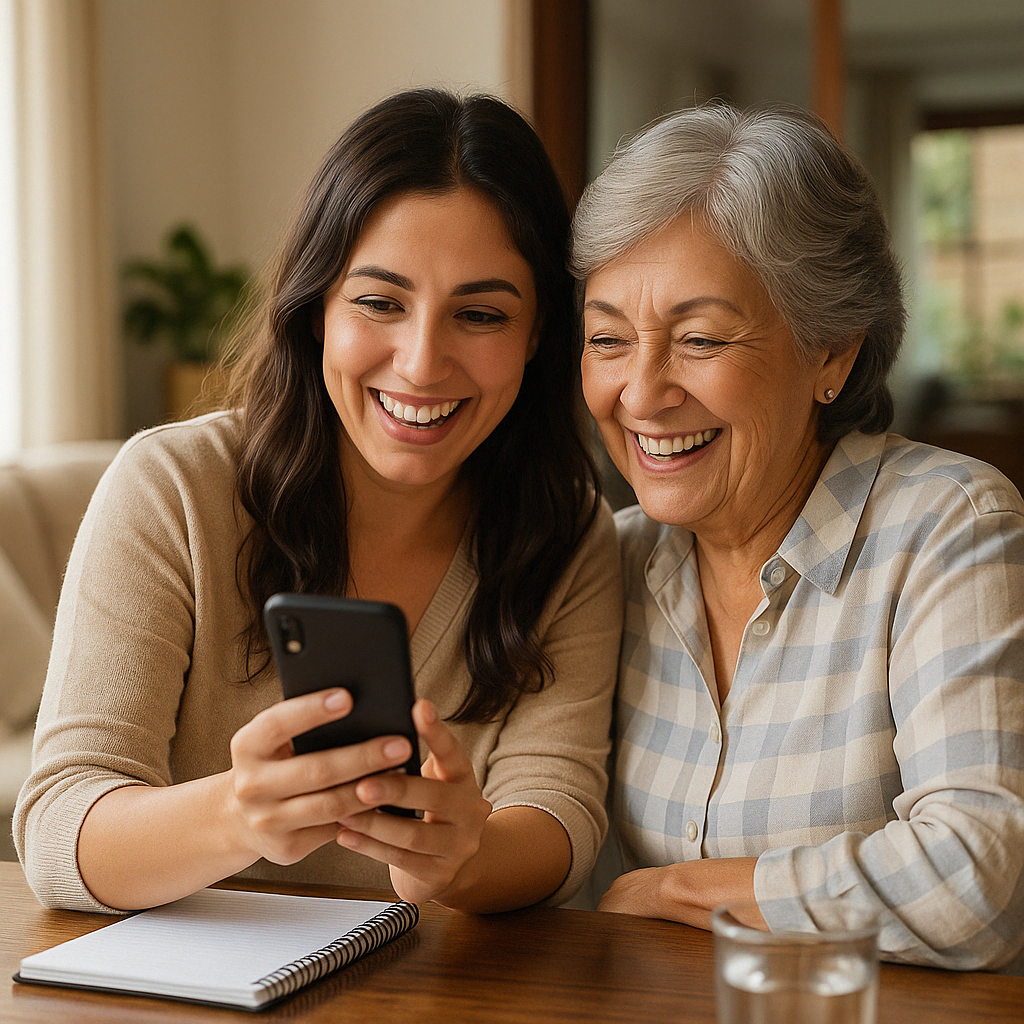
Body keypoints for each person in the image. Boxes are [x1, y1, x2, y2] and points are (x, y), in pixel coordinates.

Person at [15, 89, 622, 915]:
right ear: (316, 310)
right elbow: (58, 830)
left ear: (539, 336)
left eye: (479, 314)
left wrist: (462, 857)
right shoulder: (174, 489)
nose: (420, 364)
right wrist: (238, 813)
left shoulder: (567, 531)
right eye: (379, 303)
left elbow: (560, 813)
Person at [571, 102, 1024, 971]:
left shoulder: (948, 528)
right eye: (607, 340)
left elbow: (978, 877)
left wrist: (683, 890)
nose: (640, 392)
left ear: (833, 354)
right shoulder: (609, 563)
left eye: (699, 338)